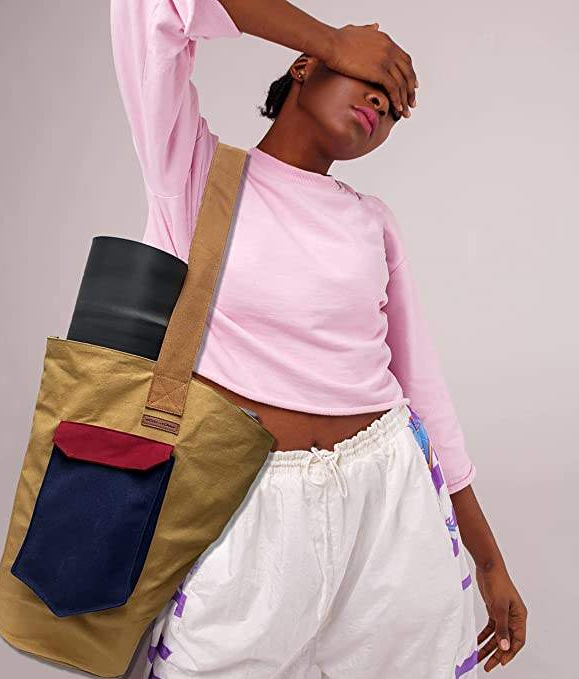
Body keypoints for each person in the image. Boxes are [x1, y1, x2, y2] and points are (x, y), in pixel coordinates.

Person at [110, 0, 528, 676]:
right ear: (304, 67)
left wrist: (489, 560)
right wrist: (333, 38)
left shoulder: (371, 221)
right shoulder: (192, 178)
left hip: (389, 508)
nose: (381, 104)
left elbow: (422, 390)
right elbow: (148, 9)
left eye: (394, 107)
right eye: (372, 79)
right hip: (243, 505)